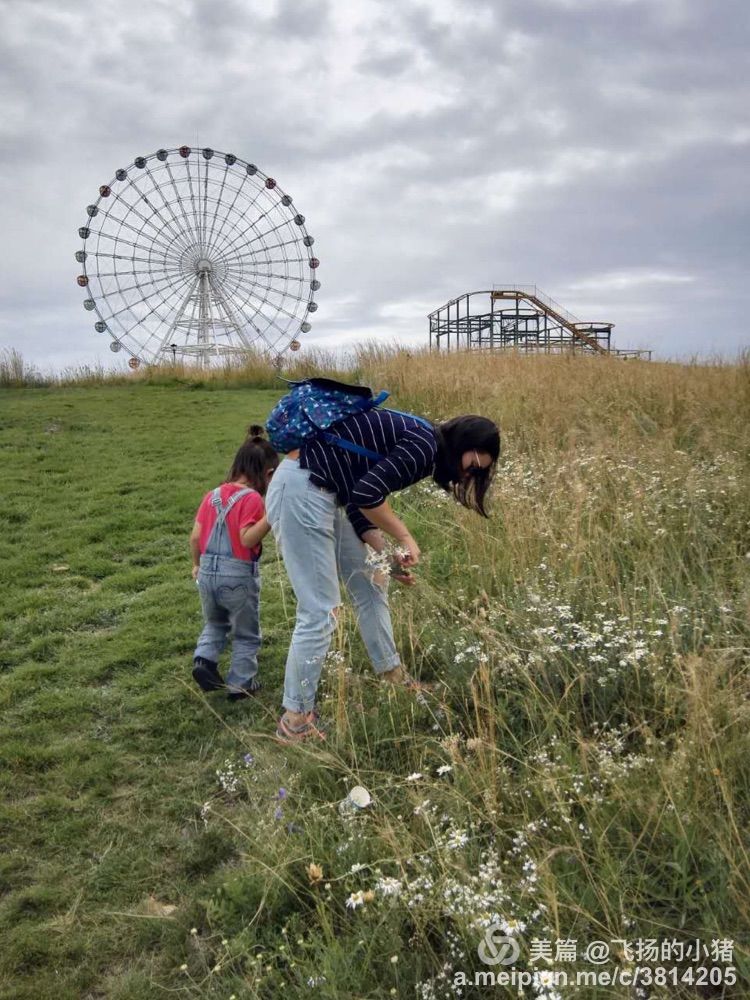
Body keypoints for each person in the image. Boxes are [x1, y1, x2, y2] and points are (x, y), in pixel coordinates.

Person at [265, 408, 500, 742]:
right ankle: (295, 720)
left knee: (373, 582)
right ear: (463, 444)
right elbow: (366, 496)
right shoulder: (424, 446)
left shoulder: (421, 444)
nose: (467, 477)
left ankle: (393, 676)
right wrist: (405, 537)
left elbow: (357, 499)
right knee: (320, 610)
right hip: (302, 490)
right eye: (473, 466)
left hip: (324, 491)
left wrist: (387, 559)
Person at [190, 427, 279, 700]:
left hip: (205, 572)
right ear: (268, 474)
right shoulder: (252, 499)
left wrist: (196, 565)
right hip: (238, 576)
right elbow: (247, 536)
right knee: (245, 633)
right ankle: (241, 685)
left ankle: (204, 660)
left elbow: (195, 536)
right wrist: (272, 515)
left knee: (215, 623)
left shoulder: (212, 495)